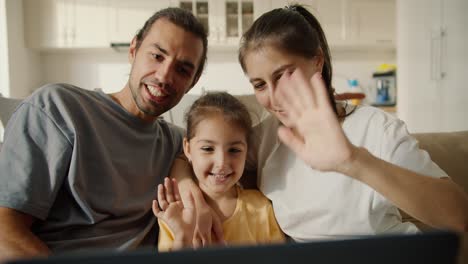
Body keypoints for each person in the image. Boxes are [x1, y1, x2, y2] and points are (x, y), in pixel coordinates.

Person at [176, 4, 468, 243]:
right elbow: (190, 155)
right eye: (260, 84)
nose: (275, 97)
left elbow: (459, 216)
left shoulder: (376, 128)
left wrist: (354, 161)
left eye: (283, 75)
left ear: (317, 61)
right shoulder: (265, 136)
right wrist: (189, 190)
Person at [0, 7, 210, 261]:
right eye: (156, 56)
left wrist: (188, 182)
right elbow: (5, 230)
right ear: (134, 50)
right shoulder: (57, 108)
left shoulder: (177, 143)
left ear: (193, 82)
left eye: (183, 70)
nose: (165, 76)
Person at [153, 92, 285, 251]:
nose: (222, 163)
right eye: (208, 149)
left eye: (234, 150)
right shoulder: (175, 213)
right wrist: (182, 237)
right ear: (187, 149)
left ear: (247, 150)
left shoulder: (261, 209)